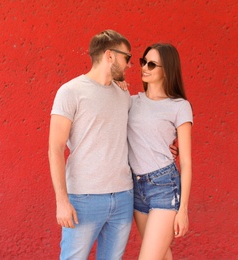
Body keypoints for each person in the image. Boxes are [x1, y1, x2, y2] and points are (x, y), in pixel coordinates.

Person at [48, 29, 134, 259]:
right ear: (110, 55)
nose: (129, 65)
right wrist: (62, 201)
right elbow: (55, 148)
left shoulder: (123, 94)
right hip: (84, 199)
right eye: (127, 58)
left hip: (123, 196)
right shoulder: (70, 92)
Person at [127, 43, 193, 260]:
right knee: (161, 254)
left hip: (164, 186)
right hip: (136, 187)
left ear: (167, 69)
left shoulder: (179, 106)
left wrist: (183, 210)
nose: (145, 67)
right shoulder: (131, 101)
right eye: (143, 61)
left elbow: (186, 162)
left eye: (152, 64)